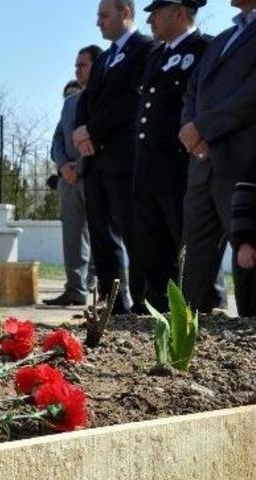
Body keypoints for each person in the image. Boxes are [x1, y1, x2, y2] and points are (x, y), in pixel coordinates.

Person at [73, 0, 156, 314]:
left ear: (126, 13)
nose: (99, 22)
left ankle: (143, 303)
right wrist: (80, 131)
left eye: (104, 15)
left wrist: (91, 130)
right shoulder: (105, 58)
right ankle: (112, 304)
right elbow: (86, 99)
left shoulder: (145, 49)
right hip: (95, 162)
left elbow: (133, 99)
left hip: (124, 160)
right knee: (101, 234)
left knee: (134, 232)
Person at [132, 0, 210, 312]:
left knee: (186, 241)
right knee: (152, 242)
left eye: (157, 12)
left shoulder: (204, 48)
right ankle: (157, 305)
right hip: (149, 165)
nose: (149, 19)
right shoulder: (157, 55)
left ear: (178, 12)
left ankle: (198, 304)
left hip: (180, 164)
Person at [179, 0, 256, 316]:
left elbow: (251, 94)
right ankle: (187, 329)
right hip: (202, 164)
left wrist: (204, 128)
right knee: (195, 255)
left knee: (247, 252)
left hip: (244, 163)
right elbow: (192, 91)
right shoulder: (223, 38)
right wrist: (189, 128)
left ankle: (248, 333)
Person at [43, 46, 103, 307]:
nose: (77, 70)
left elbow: (102, 136)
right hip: (67, 179)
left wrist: (80, 165)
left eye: (83, 65)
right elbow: (57, 138)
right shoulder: (70, 103)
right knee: (72, 234)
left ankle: (106, 289)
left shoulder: (104, 99)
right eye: (76, 66)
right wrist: (63, 165)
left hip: (93, 176)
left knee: (102, 233)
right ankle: (75, 288)